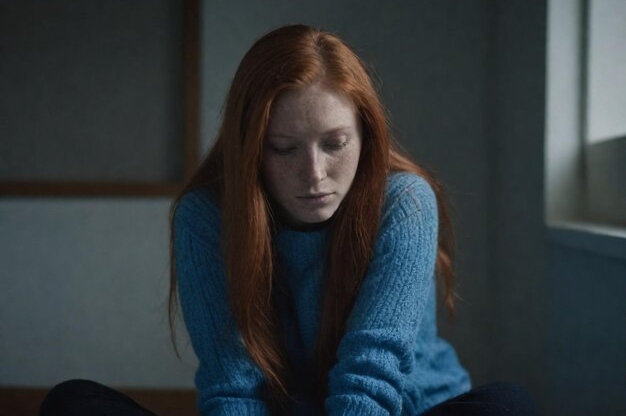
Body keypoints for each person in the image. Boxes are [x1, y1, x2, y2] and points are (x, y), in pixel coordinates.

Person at [40, 25, 537, 416]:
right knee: (73, 402)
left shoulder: (405, 201)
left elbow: (372, 371)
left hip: (401, 410)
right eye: (283, 150)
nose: (315, 174)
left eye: (335, 144)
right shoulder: (204, 217)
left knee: (508, 405)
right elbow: (233, 384)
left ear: (366, 136)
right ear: (250, 150)